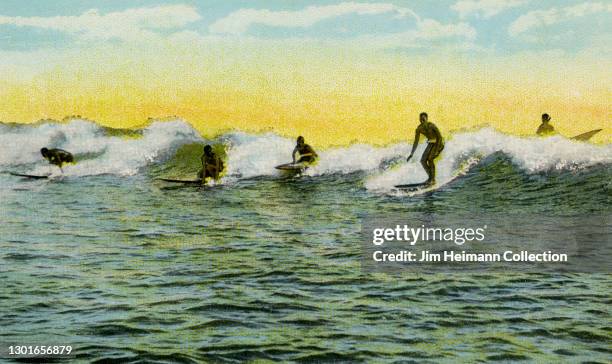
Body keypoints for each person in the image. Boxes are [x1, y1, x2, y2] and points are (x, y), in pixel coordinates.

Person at [406, 112, 444, 185]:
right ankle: (431, 178)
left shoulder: (432, 126)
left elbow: (439, 137)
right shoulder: (419, 129)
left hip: (439, 143)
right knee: (423, 161)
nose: (422, 121)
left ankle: (432, 179)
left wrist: (436, 150)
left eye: (423, 119)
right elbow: (416, 142)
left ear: (427, 119)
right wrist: (411, 154)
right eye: (421, 120)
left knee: (430, 159)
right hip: (431, 143)